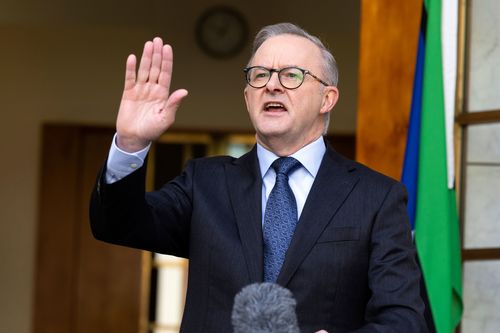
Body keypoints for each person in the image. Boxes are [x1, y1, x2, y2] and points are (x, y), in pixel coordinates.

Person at [90, 23, 428, 332]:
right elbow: (117, 223)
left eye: (292, 75)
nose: (272, 85)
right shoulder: (204, 183)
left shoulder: (376, 198)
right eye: (260, 75)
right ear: (247, 97)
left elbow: (404, 320)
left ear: (328, 98)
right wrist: (131, 143)